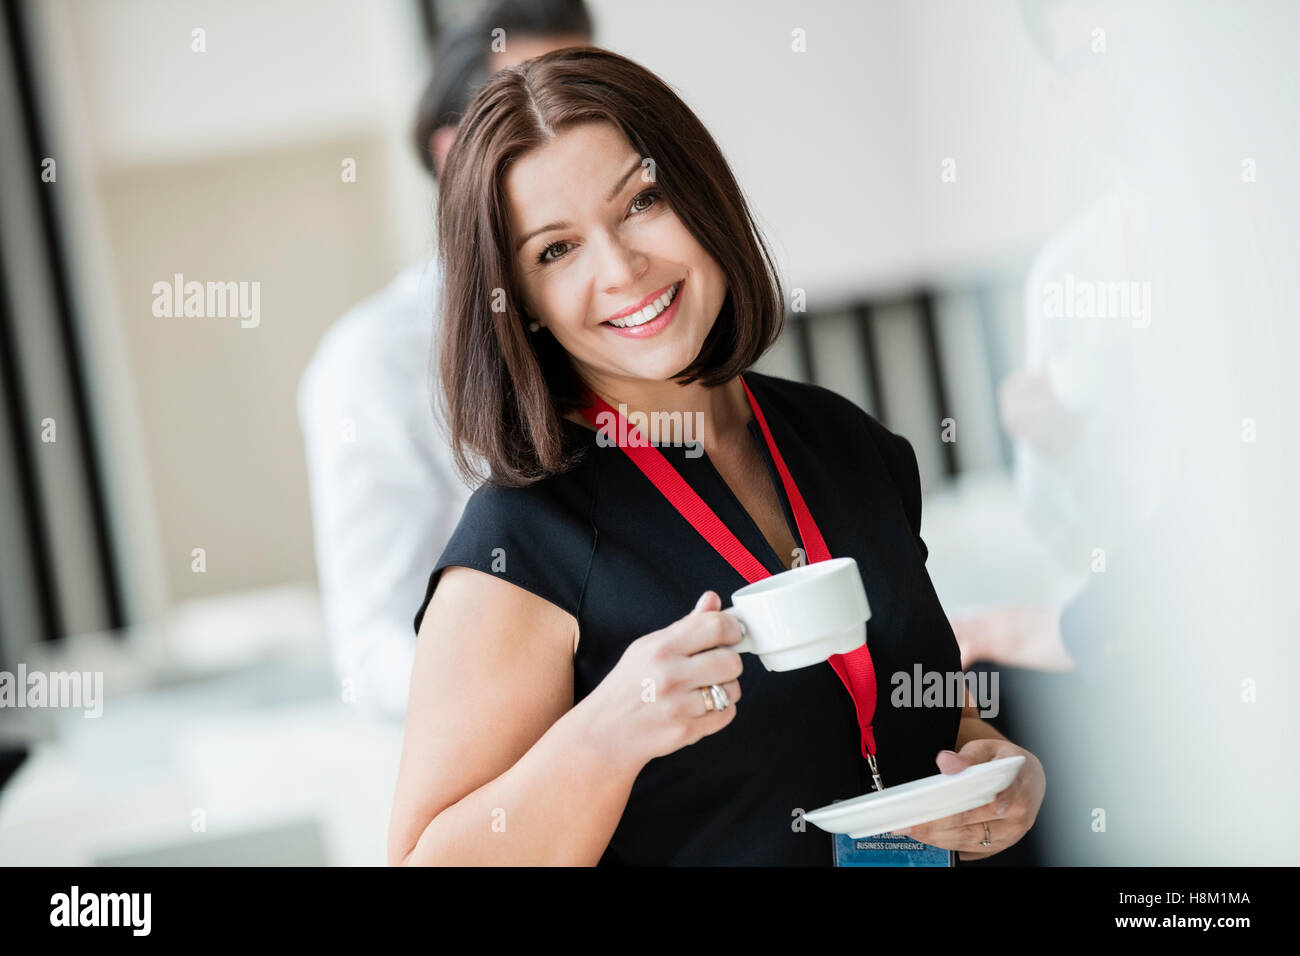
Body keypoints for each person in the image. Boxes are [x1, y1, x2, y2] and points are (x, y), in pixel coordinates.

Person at [387, 46, 1045, 866]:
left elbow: (919, 707)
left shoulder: (849, 445)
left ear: (702, 196)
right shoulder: (522, 541)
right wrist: (606, 734)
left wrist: (995, 771)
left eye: (642, 202)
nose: (622, 269)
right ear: (519, 304)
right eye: (556, 251)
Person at [297, 1, 593, 722]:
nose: (568, 129)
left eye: (586, 93)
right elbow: (373, 656)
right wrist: (575, 689)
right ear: (453, 152)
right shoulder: (375, 361)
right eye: (529, 102)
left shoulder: (637, 306)